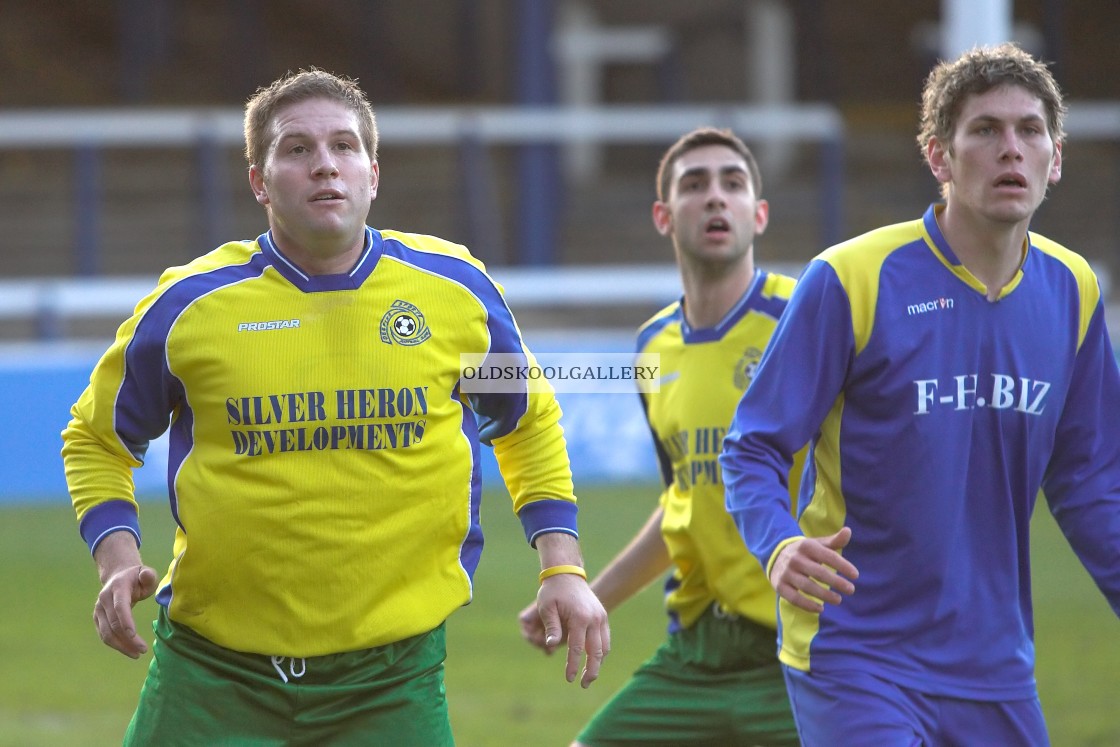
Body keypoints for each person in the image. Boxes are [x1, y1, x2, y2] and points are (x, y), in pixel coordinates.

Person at [61, 67, 609, 746]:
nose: (325, 165)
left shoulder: (455, 291)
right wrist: (116, 559)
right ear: (259, 182)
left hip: (391, 683)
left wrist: (562, 566)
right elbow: (96, 438)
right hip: (211, 678)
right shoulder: (188, 307)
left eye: (344, 147)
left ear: (373, 173)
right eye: (297, 149)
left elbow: (525, 421)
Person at [720, 42, 1120, 746]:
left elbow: (1090, 479)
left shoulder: (1074, 291)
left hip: (996, 665)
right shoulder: (851, 278)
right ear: (939, 157)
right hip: (857, 653)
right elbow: (754, 444)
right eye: (985, 131)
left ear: (1055, 159)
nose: (1011, 150)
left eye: (1031, 131)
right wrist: (779, 542)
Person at [520, 127, 801, 746]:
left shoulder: (805, 318)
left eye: (733, 183)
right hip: (697, 654)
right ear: (663, 216)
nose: (715, 198)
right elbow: (685, 501)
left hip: (804, 652)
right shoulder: (652, 345)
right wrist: (588, 598)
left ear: (758, 214)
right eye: (694, 185)